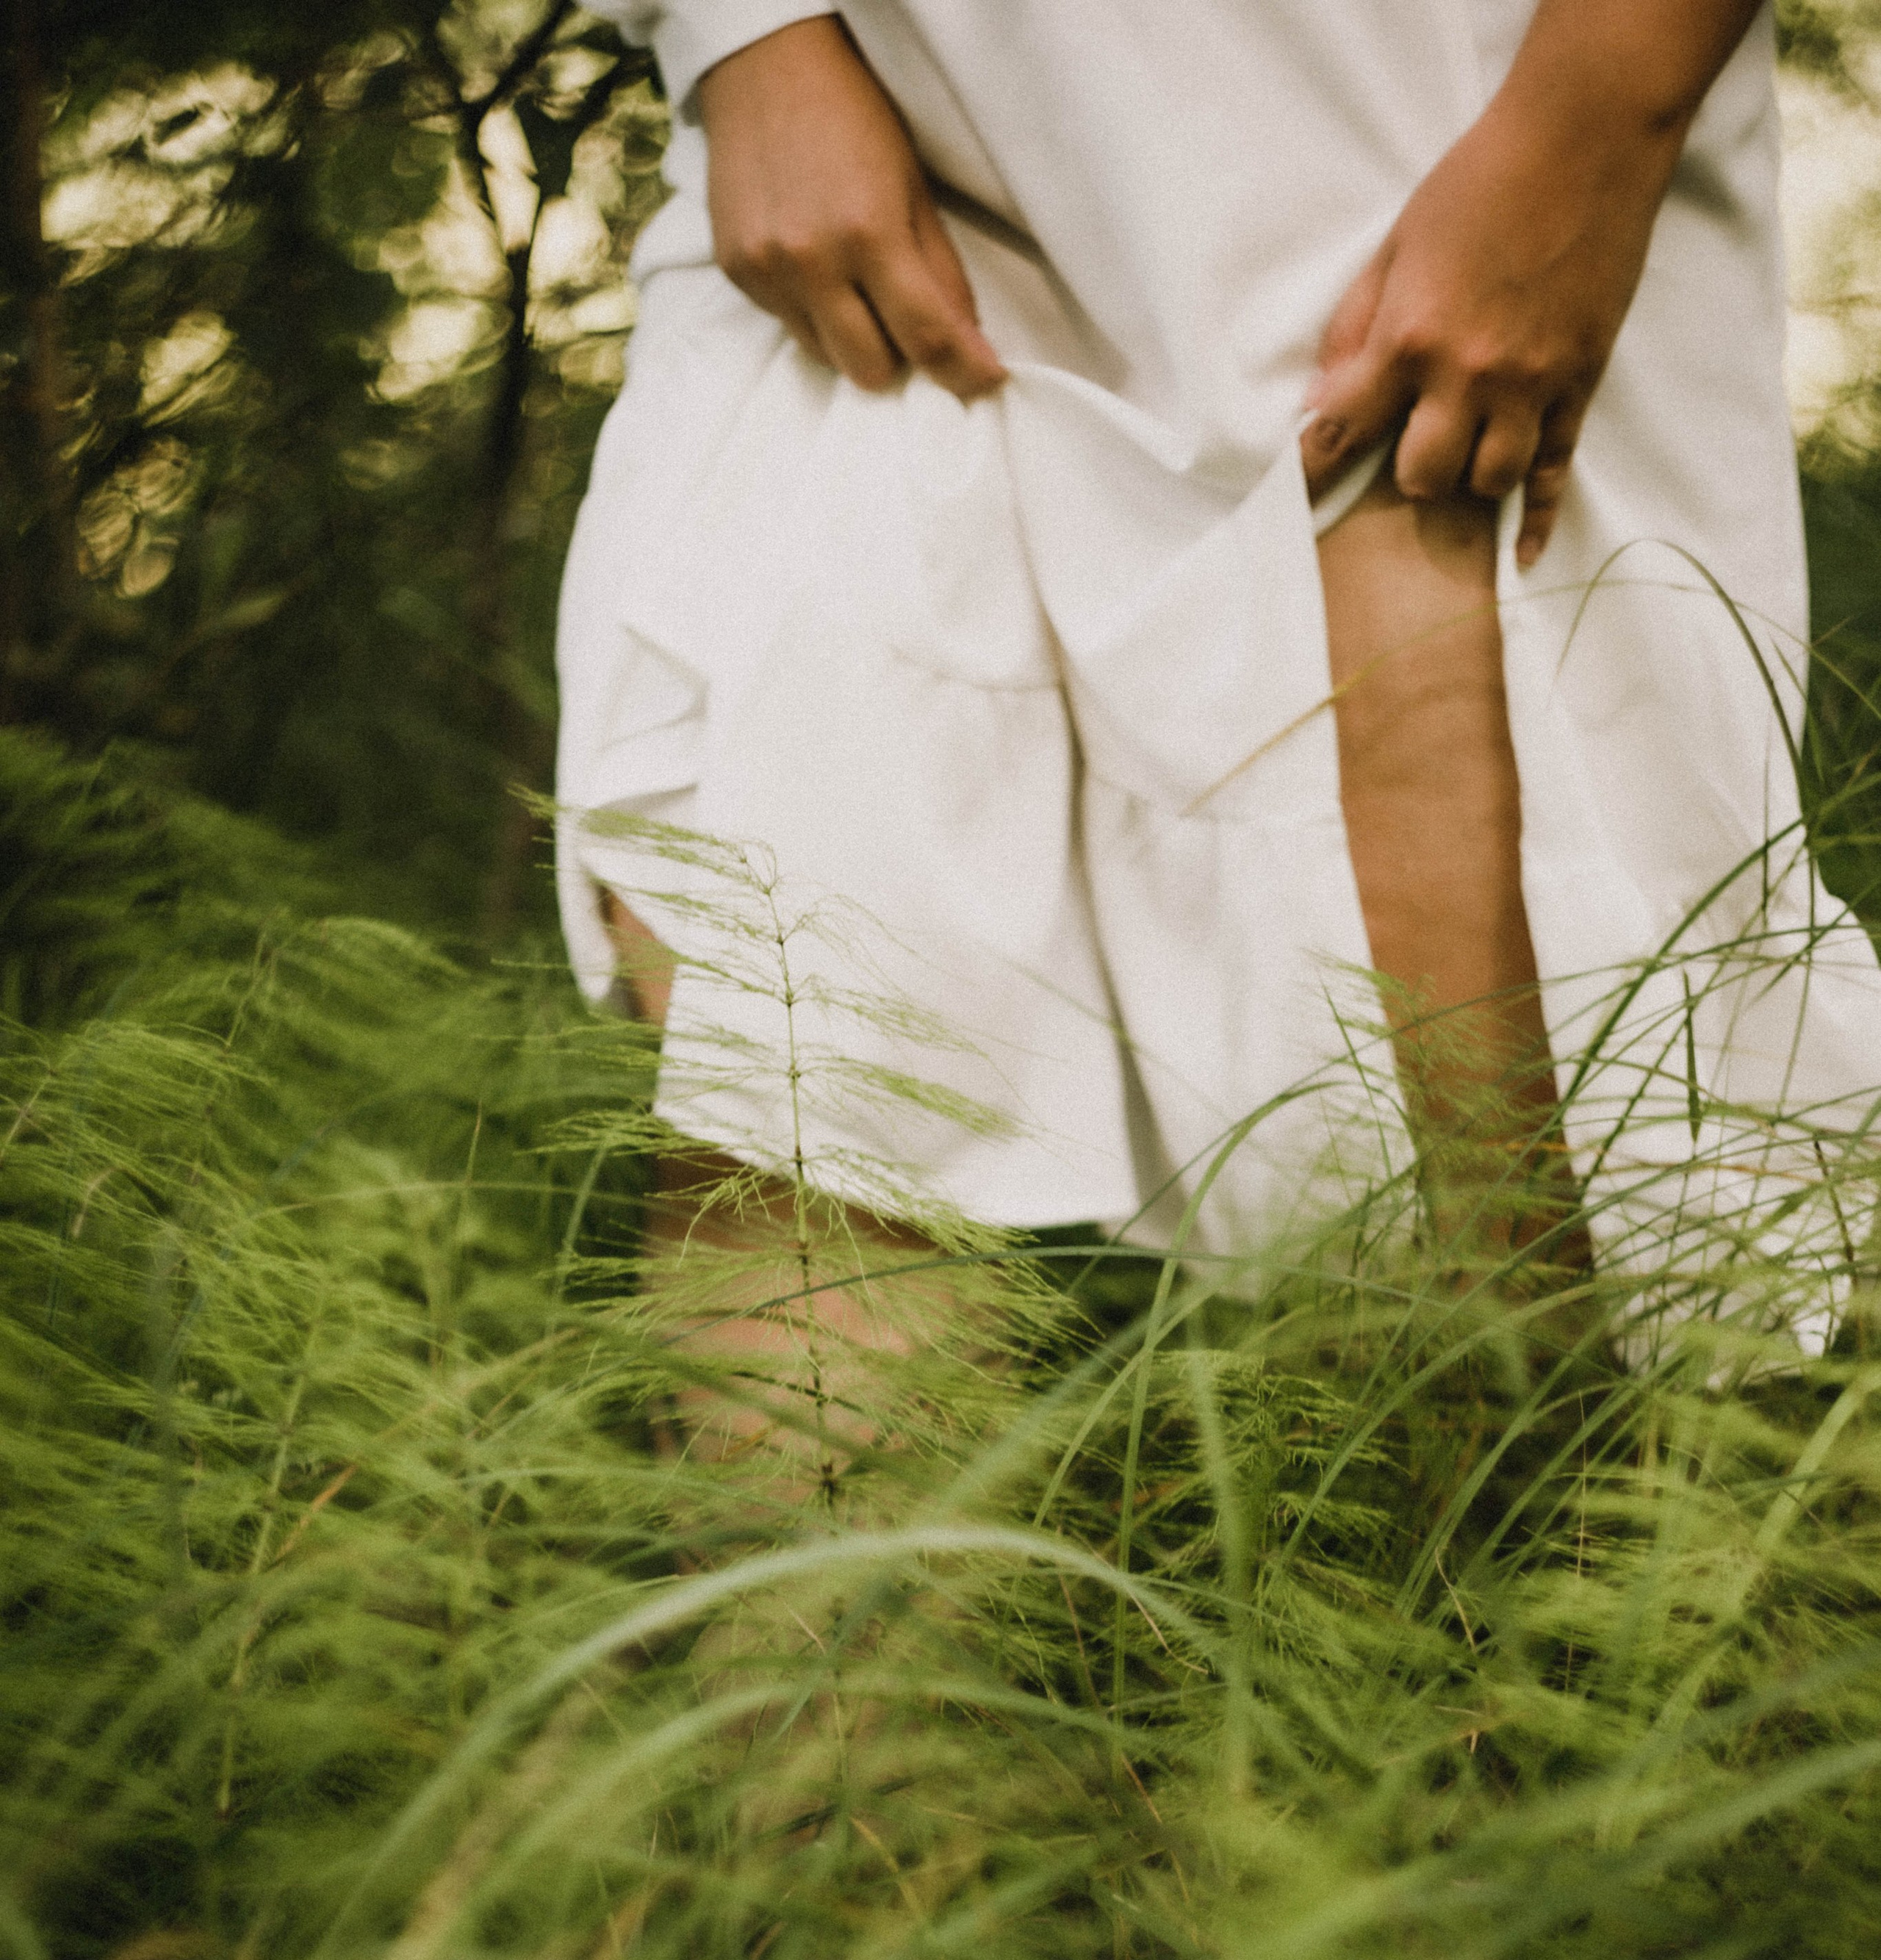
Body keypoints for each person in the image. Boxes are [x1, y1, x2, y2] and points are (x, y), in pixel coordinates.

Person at [558, 3, 1881, 1435]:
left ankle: (1476, 1643)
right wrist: (738, 35)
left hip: (1416, 156)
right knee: (800, 1094)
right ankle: (828, 1659)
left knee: (1457, 1181)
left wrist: (1583, 127)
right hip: (859, 160)